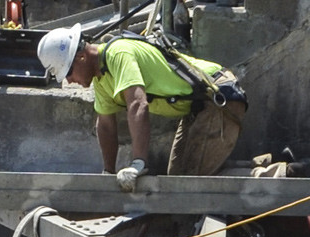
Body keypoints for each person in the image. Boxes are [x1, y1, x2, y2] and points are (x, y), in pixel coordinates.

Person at [36, 25, 248, 191]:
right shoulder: (101, 79)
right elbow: (106, 126)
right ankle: (253, 167)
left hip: (217, 95)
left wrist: (138, 163)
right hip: (199, 108)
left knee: (188, 185)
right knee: (176, 182)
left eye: (68, 73)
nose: (70, 81)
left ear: (81, 57)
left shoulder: (118, 54)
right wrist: (108, 173)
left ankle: (274, 175)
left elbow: (138, 104)